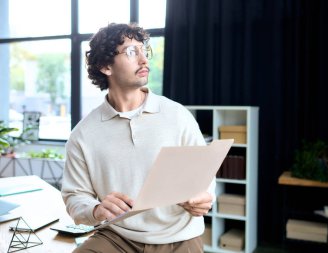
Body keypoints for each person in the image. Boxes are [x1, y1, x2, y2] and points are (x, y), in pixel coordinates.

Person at [61, 23, 215, 253]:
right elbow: (75, 196)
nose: (144, 60)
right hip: (117, 236)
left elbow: (203, 176)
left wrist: (204, 196)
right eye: (132, 52)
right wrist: (96, 210)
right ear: (105, 66)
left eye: (144, 50)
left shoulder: (177, 114)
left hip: (179, 236)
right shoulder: (82, 134)